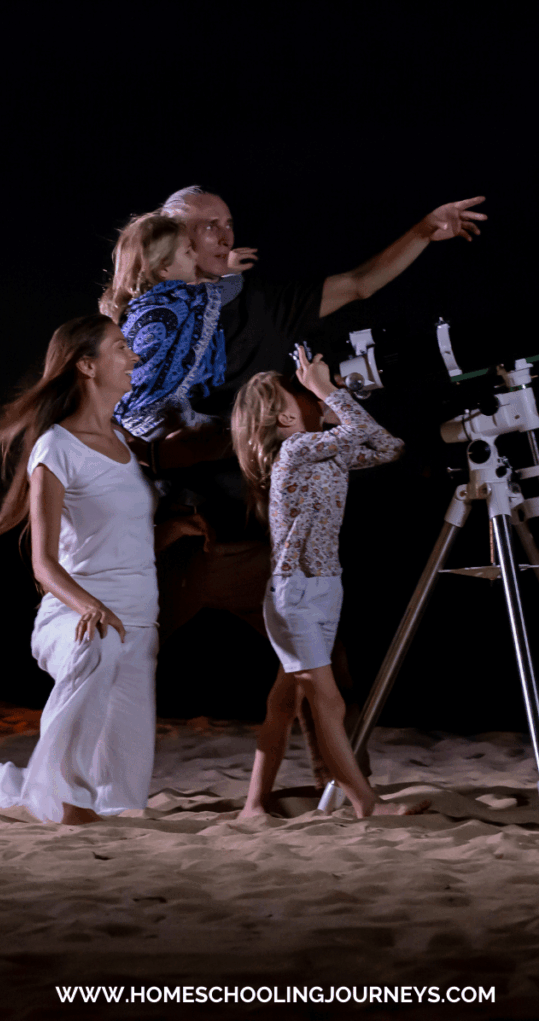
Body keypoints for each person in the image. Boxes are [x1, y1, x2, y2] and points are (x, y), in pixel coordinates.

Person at [147, 185, 488, 779]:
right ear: (171, 241)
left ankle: (333, 789)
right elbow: (153, 441)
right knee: (122, 653)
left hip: (263, 537)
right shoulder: (157, 324)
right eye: (208, 227)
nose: (224, 236)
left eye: (229, 222)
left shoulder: (266, 305)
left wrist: (422, 231)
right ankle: (48, 775)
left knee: (319, 666)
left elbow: (358, 284)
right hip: (189, 537)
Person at [0, 314, 160, 825]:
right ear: (86, 365)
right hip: (75, 616)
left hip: (140, 622)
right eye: (121, 348)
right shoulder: (55, 448)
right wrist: (91, 605)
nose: (133, 357)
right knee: (97, 644)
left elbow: (120, 536)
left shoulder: (126, 445)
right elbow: (44, 562)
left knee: (124, 804)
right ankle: (63, 798)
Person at [231, 347, 430, 818]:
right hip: (296, 593)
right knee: (329, 701)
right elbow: (361, 431)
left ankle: (254, 806)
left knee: (282, 704)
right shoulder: (296, 450)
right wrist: (326, 389)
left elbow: (387, 446)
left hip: (323, 588)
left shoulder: (327, 454)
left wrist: (328, 395)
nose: (309, 396)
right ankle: (366, 804)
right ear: (282, 416)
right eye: (297, 394)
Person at [99, 211, 254, 441]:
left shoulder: (131, 308)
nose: (195, 256)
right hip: (163, 415)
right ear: (163, 268)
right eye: (188, 251)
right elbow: (227, 290)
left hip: (125, 417)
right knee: (235, 433)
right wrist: (229, 269)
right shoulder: (181, 300)